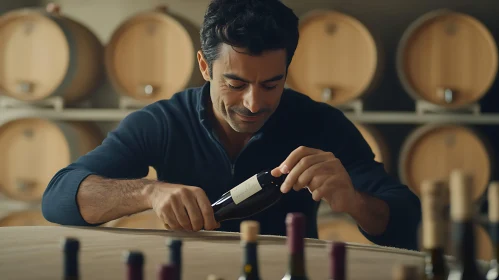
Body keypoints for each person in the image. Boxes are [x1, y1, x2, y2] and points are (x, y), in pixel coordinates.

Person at [42, 0, 421, 250]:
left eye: (271, 84)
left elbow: (406, 221)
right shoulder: (162, 121)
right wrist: (148, 193)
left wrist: (354, 202)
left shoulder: (320, 123)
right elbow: (58, 198)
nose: (254, 103)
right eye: (235, 84)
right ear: (205, 67)